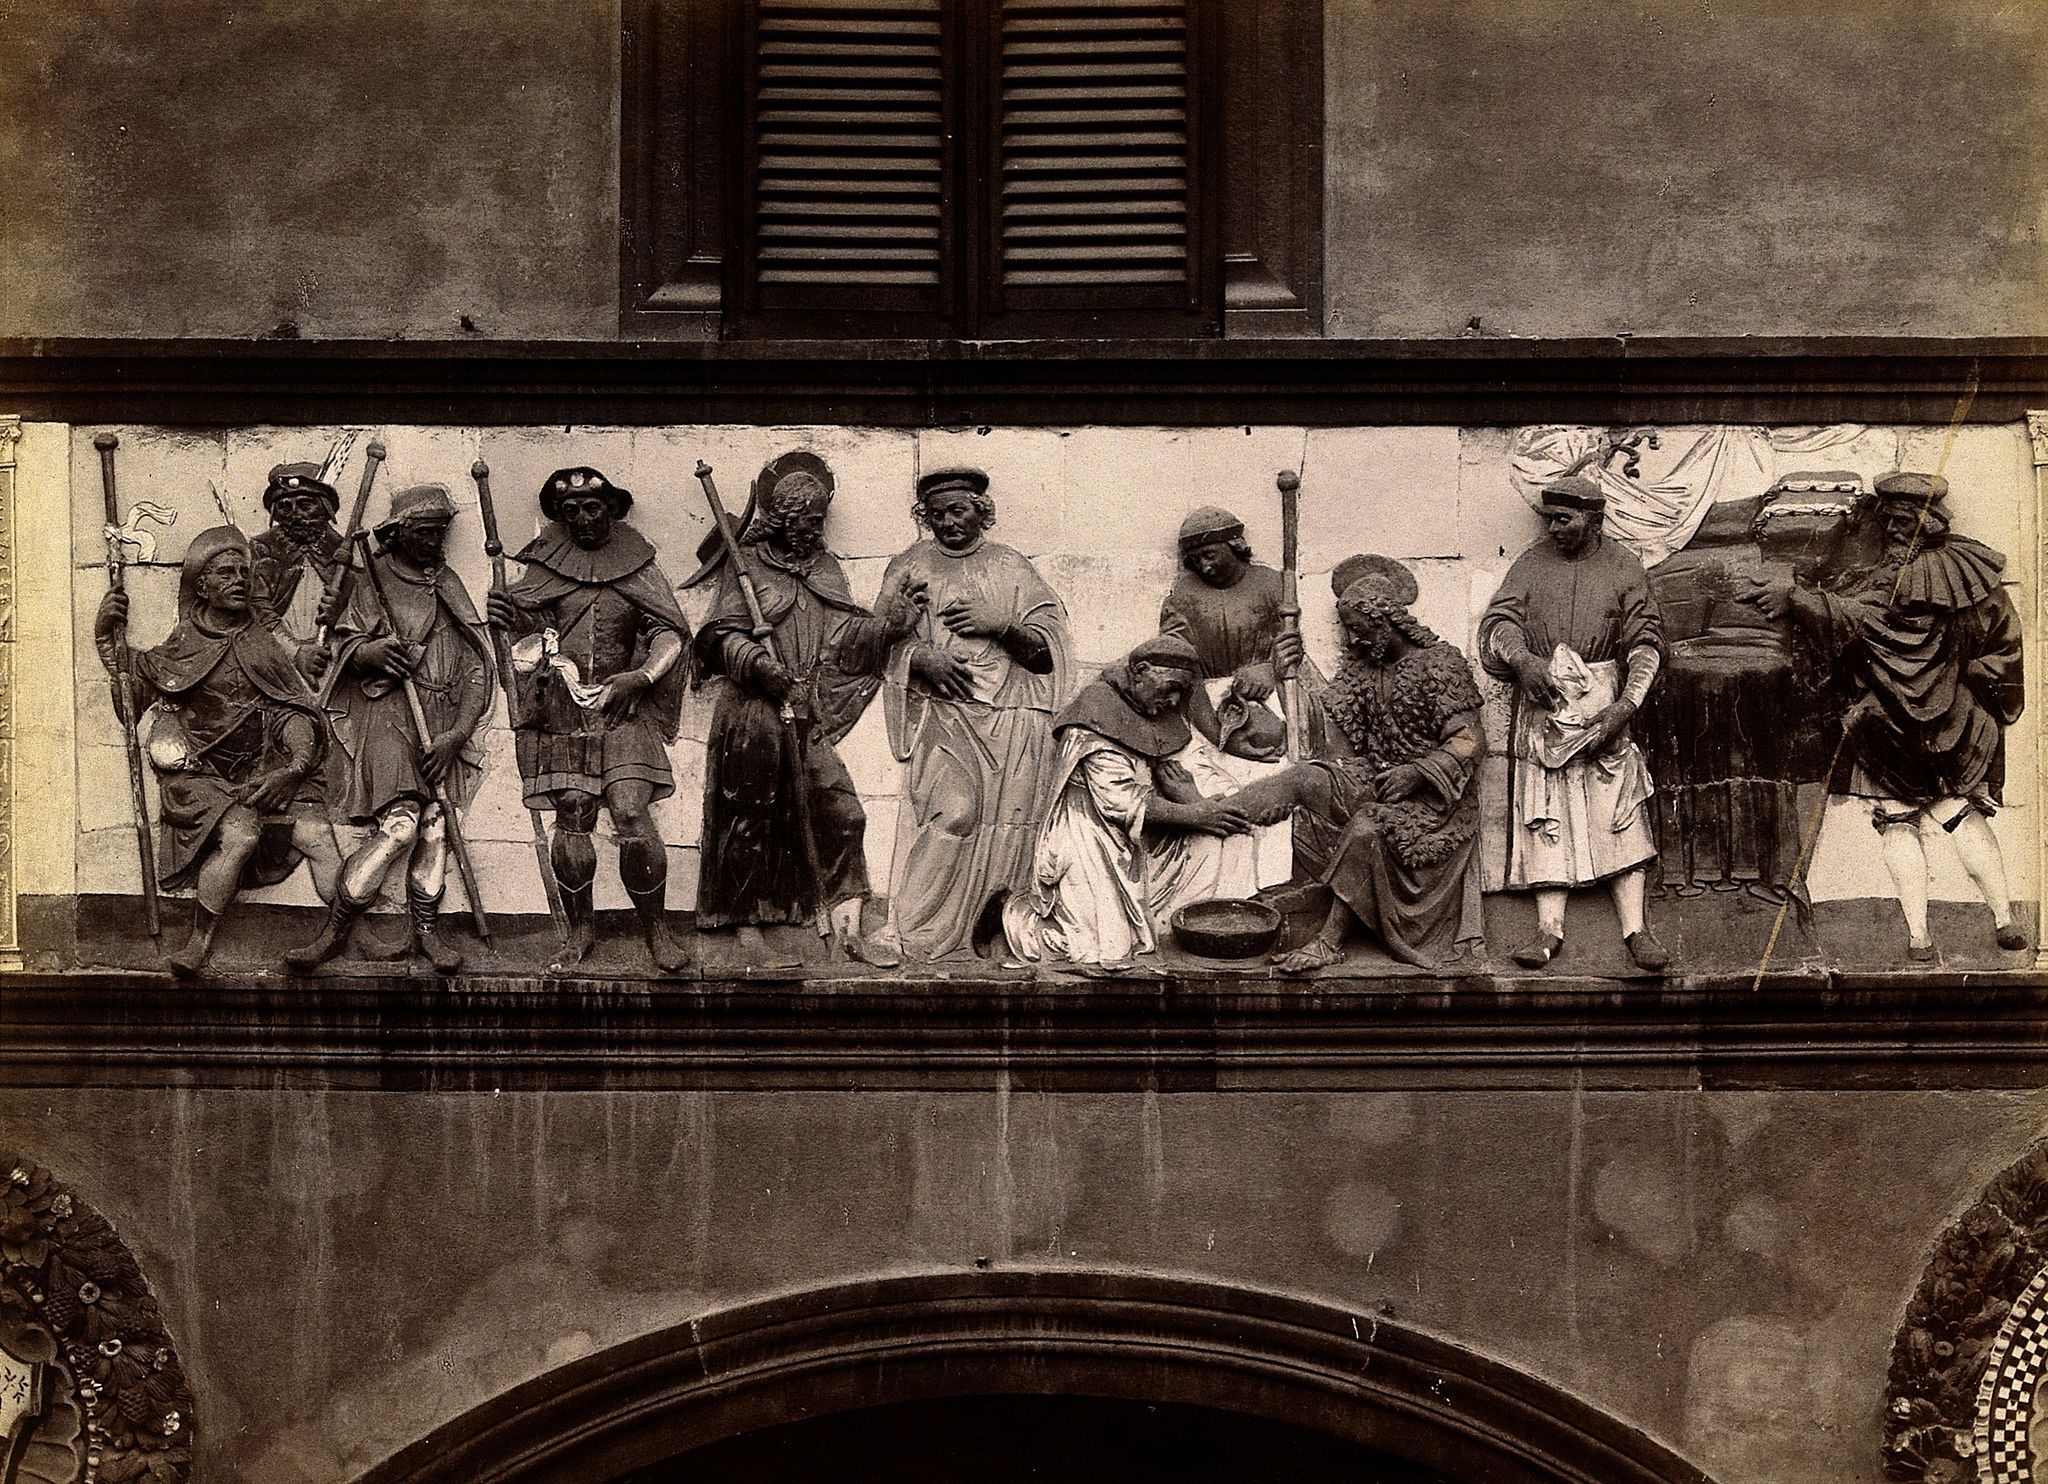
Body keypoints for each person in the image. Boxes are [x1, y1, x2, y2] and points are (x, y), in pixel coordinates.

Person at [1751, 471, 2027, 959]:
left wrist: (1797, 599)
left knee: (1915, 820)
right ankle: (1977, 923)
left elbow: (1866, 624)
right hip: (1939, 718)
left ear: (1922, 523)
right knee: (1946, 816)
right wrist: (1976, 677)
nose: (1894, 532)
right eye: (1891, 522)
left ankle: (1951, 930)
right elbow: (2004, 646)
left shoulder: (1895, 577)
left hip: (1894, 719)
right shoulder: (1971, 573)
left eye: (1901, 523)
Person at [692, 452, 924, 967]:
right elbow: (718, 636)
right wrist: (758, 665)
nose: (818, 529)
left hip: (805, 711)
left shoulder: (825, 568)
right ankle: (745, 925)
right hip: (753, 714)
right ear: (784, 518)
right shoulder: (747, 567)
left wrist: (888, 627)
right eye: (811, 519)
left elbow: (843, 641)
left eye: (820, 520)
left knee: (845, 813)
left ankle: (846, 923)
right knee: (748, 819)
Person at [95, 526, 339, 975]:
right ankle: (199, 943)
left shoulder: (262, 643)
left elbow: (294, 713)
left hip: (261, 777)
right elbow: (133, 698)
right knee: (242, 835)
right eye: (226, 572)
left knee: (322, 839)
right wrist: (110, 649)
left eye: (245, 572)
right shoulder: (182, 644)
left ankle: (340, 937)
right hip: (199, 778)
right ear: (202, 585)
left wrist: (294, 768)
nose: (239, 580)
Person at [1232, 557, 1487, 970]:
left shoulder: (1440, 662)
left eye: (1358, 628)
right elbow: (1327, 732)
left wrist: (1417, 771)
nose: (1351, 640)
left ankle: (1328, 943)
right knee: (1304, 777)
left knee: (1368, 826)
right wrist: (1287, 672)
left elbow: (1470, 740)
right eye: (1346, 628)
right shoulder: (1364, 670)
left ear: (1385, 620)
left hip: (1434, 801)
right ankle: (1214, 816)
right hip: (1377, 778)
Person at [486, 466, 691, 972]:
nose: (581, 518)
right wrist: (507, 616)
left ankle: (656, 931)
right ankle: (579, 932)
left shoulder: (638, 567)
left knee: (629, 812)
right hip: (563, 713)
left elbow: (669, 631)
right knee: (574, 810)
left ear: (611, 509)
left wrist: (639, 678)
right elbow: (525, 640)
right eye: (569, 510)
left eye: (592, 507)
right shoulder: (542, 569)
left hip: (622, 709)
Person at [286, 485, 495, 972]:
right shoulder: (372, 577)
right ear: (397, 533)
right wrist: (370, 652)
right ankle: (334, 929)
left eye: (439, 531)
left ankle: (425, 932)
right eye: (423, 532)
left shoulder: (447, 581)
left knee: (435, 827)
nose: (432, 541)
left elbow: (477, 664)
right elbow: (342, 645)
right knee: (400, 826)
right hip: (388, 715)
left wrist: (456, 735)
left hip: (441, 722)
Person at [869, 467, 1071, 961]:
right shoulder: (909, 565)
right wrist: (921, 658)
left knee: (1013, 826)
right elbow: (873, 644)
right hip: (946, 714)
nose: (947, 523)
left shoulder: (1011, 566)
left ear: (980, 511)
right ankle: (909, 931)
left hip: (1014, 715)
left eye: (957, 511)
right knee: (954, 813)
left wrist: (1002, 623)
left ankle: (999, 931)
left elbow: (1048, 652)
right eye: (935, 515)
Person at [1477, 475, 1669, 972]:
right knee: (1545, 811)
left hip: (1606, 698)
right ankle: (1548, 930)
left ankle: (1636, 929)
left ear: (1594, 520)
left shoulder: (1624, 568)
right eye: (1550, 519)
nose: (1555, 528)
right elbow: (1498, 624)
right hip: (1544, 703)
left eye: (1565, 519)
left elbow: (1647, 643)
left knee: (1617, 809)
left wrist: (1624, 707)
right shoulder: (1531, 565)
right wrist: (1523, 661)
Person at [991, 635, 1253, 971]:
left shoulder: (1151, 710)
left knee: (1214, 846)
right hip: (1091, 836)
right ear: (1141, 671)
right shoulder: (1096, 714)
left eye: (1182, 692)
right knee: (1095, 947)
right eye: (1171, 687)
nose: (1175, 700)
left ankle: (1174, 931)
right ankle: (1011, 923)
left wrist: (1196, 800)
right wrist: (1195, 813)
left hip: (1140, 837)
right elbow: (1119, 801)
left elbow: (1187, 769)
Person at [1156, 505, 1308, 894]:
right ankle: (1223, 894)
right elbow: (1180, 665)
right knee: (1210, 788)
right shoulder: (1183, 594)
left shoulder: (1273, 585)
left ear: (1235, 544)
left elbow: (1290, 649)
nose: (1204, 567)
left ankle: (1273, 890)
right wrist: (1220, 731)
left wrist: (1271, 669)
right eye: (1195, 560)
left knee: (1276, 787)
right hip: (1207, 710)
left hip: (1269, 705)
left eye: (1211, 554)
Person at [249, 461, 350, 676]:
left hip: (333, 660)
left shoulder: (345, 553)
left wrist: (340, 616)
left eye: (305, 505)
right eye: (286, 506)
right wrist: (295, 652)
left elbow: (364, 613)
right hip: (277, 658)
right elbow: (257, 608)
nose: (295, 515)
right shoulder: (262, 549)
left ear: (325, 509)